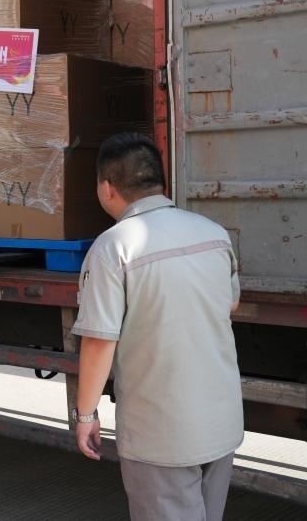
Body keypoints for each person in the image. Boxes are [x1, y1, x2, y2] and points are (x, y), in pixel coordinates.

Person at [71, 132, 243, 521]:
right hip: (221, 423)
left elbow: (99, 342)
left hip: (161, 434)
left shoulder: (113, 247)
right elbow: (229, 303)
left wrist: (85, 415)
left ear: (107, 187)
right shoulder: (214, 234)